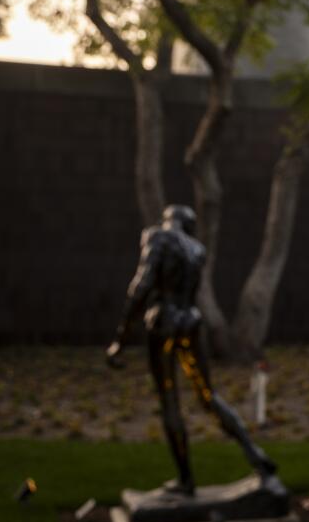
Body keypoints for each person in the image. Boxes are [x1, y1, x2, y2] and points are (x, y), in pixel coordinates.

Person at [107, 204, 276, 494]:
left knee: (170, 400)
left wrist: (121, 337)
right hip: (191, 322)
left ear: (167, 220)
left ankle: (186, 481)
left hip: (164, 322)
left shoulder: (156, 237)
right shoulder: (196, 249)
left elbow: (142, 284)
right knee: (208, 395)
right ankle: (253, 453)